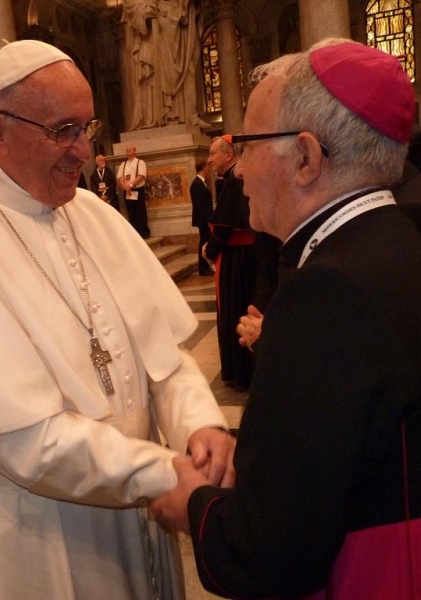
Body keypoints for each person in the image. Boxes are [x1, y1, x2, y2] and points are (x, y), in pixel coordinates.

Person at [0, 39, 235, 600]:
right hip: (33, 534)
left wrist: (200, 427)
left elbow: (164, 361)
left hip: (139, 507)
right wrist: (164, 474)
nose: (84, 152)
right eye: (63, 130)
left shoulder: (94, 216)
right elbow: (24, 443)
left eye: (86, 128)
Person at [150, 39, 421, 600]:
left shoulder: (326, 291)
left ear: (305, 158)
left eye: (245, 144)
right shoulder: (396, 244)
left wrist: (193, 506)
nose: (239, 168)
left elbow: (272, 551)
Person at [203, 135, 257, 390]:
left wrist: (209, 250)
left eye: (214, 153)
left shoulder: (234, 179)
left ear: (228, 154)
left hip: (236, 260)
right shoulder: (233, 177)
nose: (210, 159)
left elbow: (222, 227)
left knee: (234, 311)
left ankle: (240, 372)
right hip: (245, 257)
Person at [121, 0, 203, 130]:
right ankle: (156, 117)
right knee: (152, 75)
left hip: (176, 26)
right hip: (151, 35)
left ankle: (186, 115)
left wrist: (182, 8)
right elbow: (130, 5)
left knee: (187, 69)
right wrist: (143, 11)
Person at [117, 145, 150, 238]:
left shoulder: (140, 162)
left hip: (137, 189)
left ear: (135, 151)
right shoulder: (123, 164)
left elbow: (141, 175)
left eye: (130, 149)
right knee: (131, 212)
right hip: (127, 190)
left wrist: (131, 185)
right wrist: (125, 186)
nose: (128, 150)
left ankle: (144, 232)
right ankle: (134, 234)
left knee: (140, 211)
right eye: (126, 149)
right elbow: (119, 177)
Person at [189, 159, 214, 276]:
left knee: (205, 241)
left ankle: (204, 267)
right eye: (207, 167)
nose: (208, 169)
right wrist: (208, 220)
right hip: (203, 220)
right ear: (204, 167)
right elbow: (200, 205)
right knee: (204, 242)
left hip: (205, 219)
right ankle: (203, 268)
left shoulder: (201, 182)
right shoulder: (197, 184)